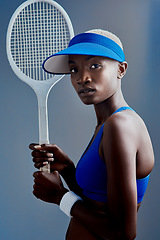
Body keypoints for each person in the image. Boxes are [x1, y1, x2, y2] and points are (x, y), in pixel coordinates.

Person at [29, 29, 154, 240]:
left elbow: (123, 233)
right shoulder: (106, 124)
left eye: (95, 65)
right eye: (73, 69)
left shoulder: (120, 126)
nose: (82, 78)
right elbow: (96, 202)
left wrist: (60, 197)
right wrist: (67, 168)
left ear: (121, 69)